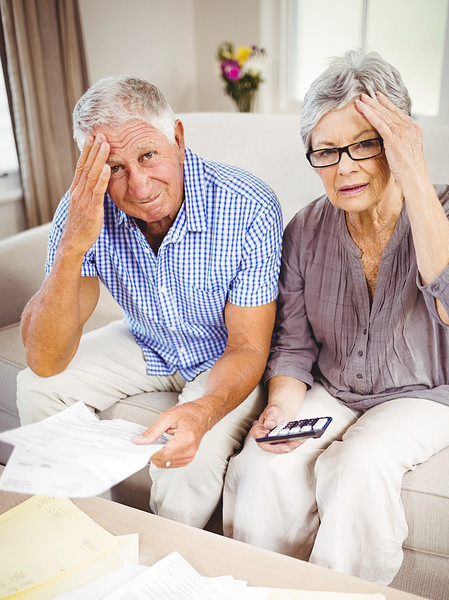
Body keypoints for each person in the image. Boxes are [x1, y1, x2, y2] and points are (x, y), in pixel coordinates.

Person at [223, 50, 449, 585]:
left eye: (364, 144)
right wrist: (279, 408)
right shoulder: (304, 230)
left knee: (358, 466)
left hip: (429, 390)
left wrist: (414, 175)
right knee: (260, 464)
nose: (344, 167)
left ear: (397, 140)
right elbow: (294, 345)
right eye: (325, 152)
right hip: (338, 387)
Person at [17, 75, 282, 527]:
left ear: (176, 137)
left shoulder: (248, 206)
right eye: (115, 168)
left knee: (186, 464)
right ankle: (85, 529)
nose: (138, 186)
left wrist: (200, 411)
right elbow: (45, 359)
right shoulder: (82, 210)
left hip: (225, 355)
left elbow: (249, 347)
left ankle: (165, 565)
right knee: (36, 386)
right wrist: (72, 246)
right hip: (148, 341)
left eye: (148, 155)